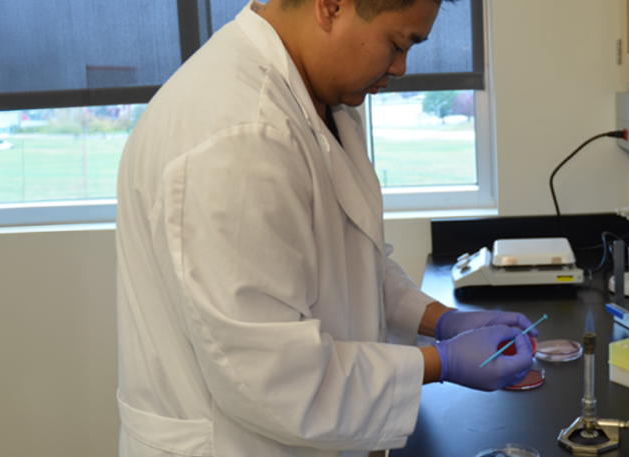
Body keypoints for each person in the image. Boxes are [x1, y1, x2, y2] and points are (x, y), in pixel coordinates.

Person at [112, 1, 535, 456]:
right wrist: (442, 363)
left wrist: (442, 321)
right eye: (397, 44)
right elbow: (274, 376)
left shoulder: (316, 96)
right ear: (330, 7)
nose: (401, 67)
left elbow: (351, 261)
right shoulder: (239, 134)